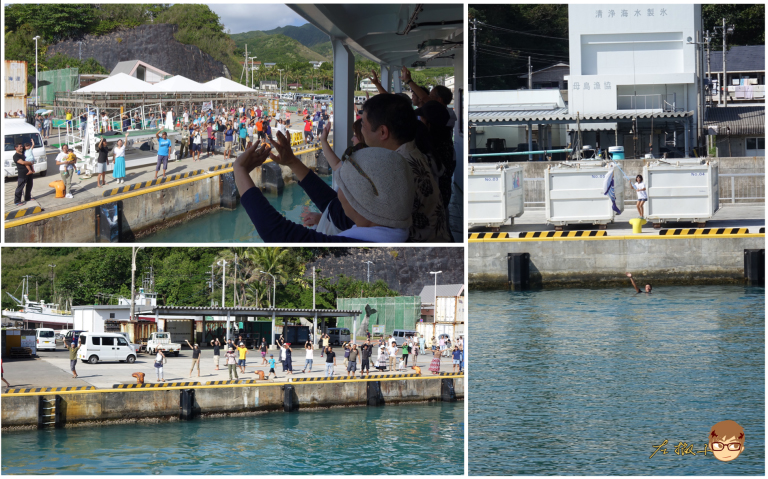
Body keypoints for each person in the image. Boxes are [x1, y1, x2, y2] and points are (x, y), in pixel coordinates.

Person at [233, 135, 414, 242]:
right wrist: (293, 163)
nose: (338, 190)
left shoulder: (351, 246)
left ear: (360, 202)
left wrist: (240, 170)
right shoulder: (387, 224)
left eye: (343, 185)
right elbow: (333, 205)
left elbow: (277, 233)